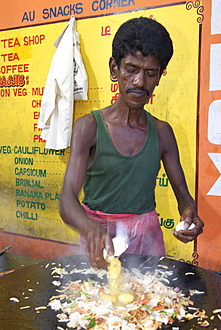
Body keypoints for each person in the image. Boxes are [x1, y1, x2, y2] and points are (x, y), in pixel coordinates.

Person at [60, 17, 204, 269]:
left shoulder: (162, 133)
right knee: (94, 303)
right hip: (99, 242)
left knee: (152, 299)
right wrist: (92, 230)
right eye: (131, 69)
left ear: (160, 76)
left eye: (150, 73)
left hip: (146, 240)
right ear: (114, 69)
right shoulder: (89, 127)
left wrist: (189, 214)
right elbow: (67, 201)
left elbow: (183, 195)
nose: (139, 82)